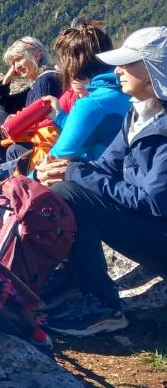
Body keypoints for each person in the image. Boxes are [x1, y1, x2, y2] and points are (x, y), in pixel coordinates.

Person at [46, 26, 167, 337]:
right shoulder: (139, 115)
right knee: (67, 189)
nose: (118, 70)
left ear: (155, 69)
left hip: (158, 228)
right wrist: (68, 169)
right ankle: (79, 283)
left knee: (69, 192)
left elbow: (154, 202)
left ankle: (103, 307)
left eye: (128, 64)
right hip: (151, 226)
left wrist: (73, 173)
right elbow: (106, 168)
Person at [35, 21, 128, 182]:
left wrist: (27, 180)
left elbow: (59, 155)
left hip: (102, 184)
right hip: (128, 180)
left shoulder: (91, 103)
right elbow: (95, 127)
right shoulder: (128, 90)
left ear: (73, 64)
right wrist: (58, 116)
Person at [0, 36, 62, 165]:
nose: (15, 67)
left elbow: (42, 124)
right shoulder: (38, 82)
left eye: (19, 59)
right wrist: (7, 79)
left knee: (11, 144)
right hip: (40, 140)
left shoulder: (45, 82)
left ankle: (6, 171)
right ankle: (4, 169)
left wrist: (16, 119)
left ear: (37, 55)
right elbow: (1, 107)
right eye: (12, 64)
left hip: (45, 146)